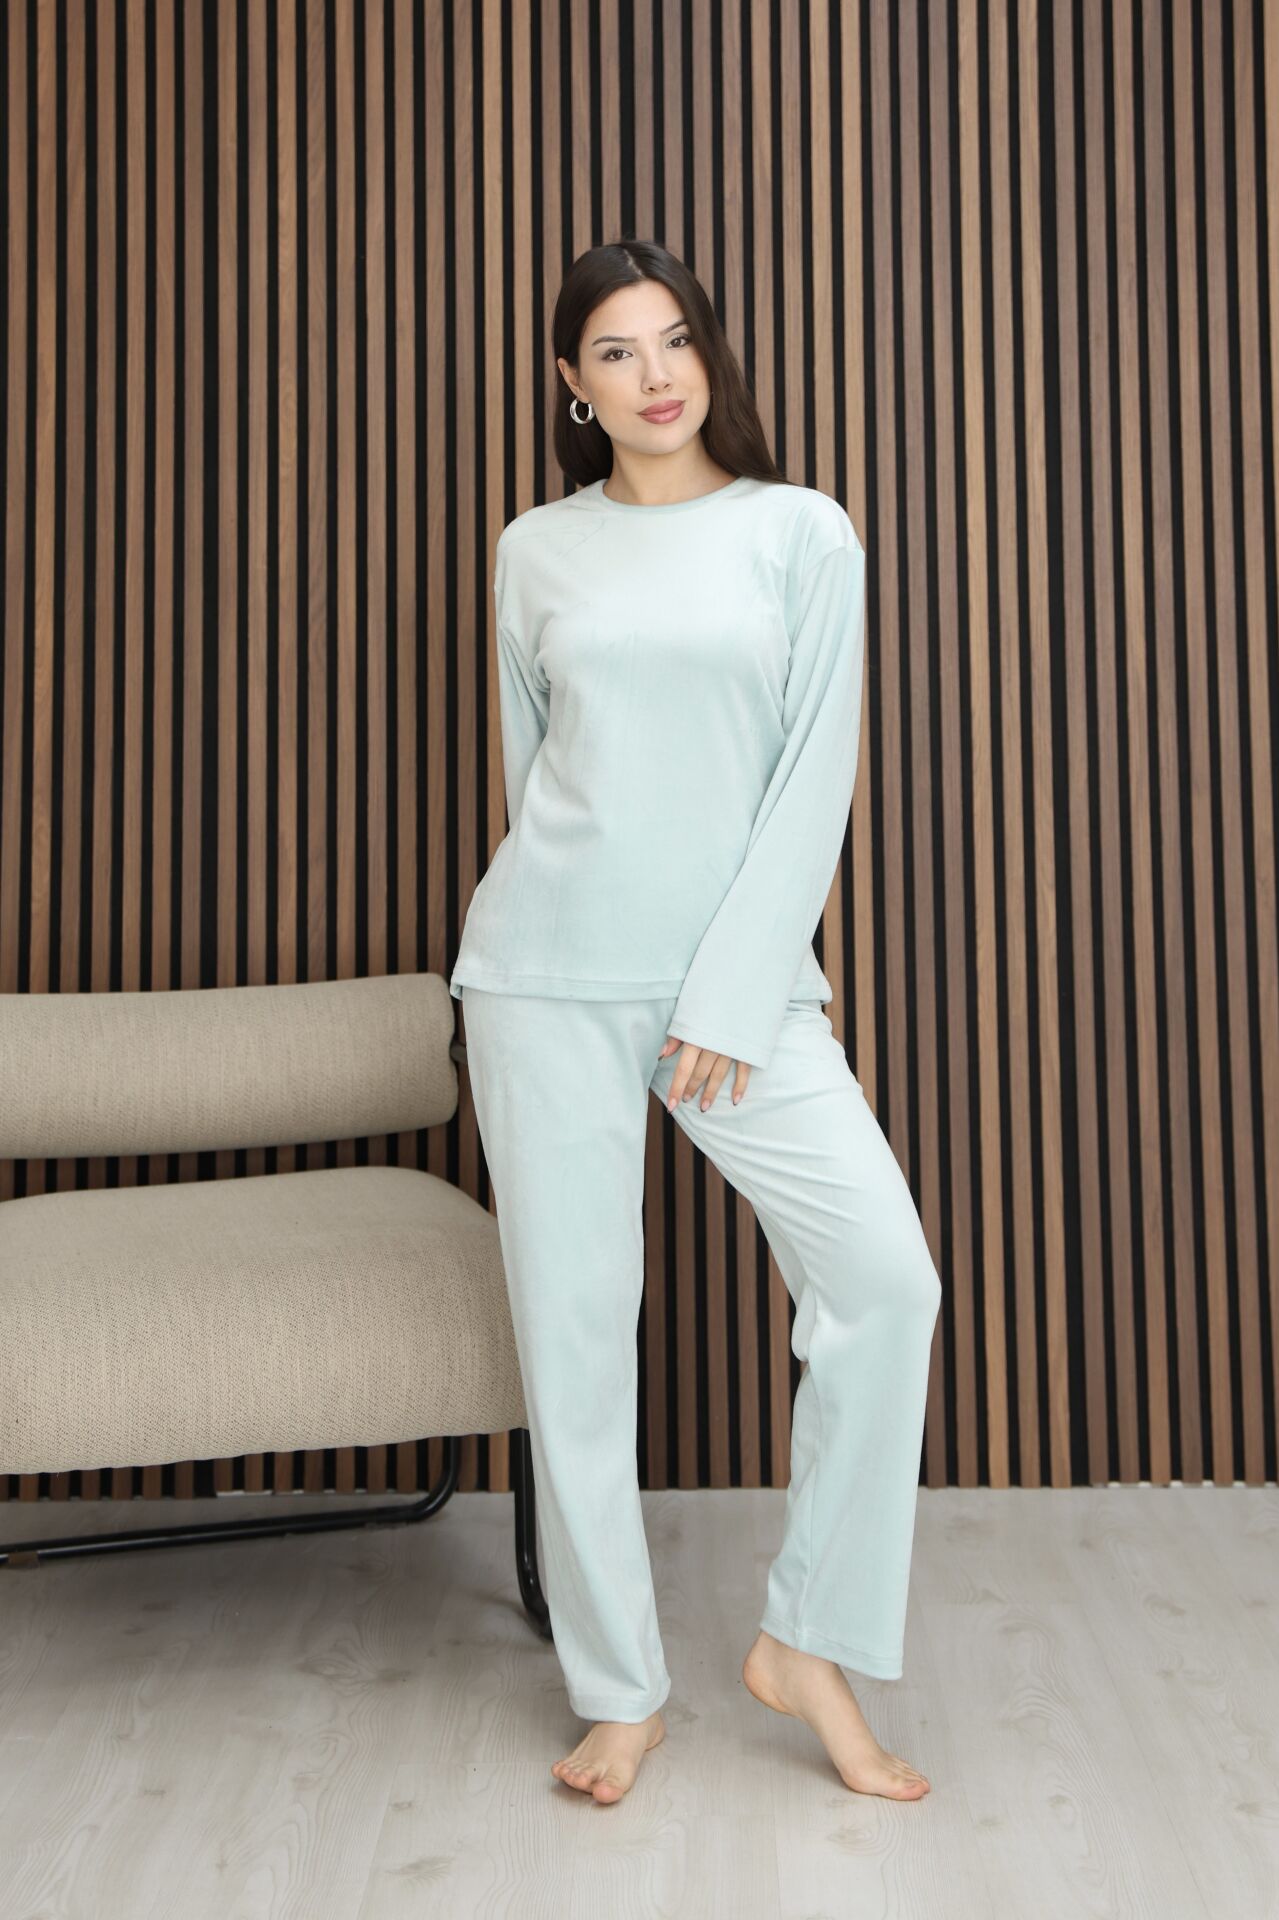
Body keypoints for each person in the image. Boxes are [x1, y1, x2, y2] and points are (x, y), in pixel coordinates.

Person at [450, 239, 942, 1806]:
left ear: (709, 353)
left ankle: (809, 1642)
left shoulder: (801, 532)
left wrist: (732, 988)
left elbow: (814, 775)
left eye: (676, 340)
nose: (656, 375)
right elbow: (537, 772)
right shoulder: (536, 550)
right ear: (572, 385)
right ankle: (620, 1695)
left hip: (738, 995)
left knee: (885, 1281)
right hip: (544, 978)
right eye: (616, 351)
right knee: (575, 1339)